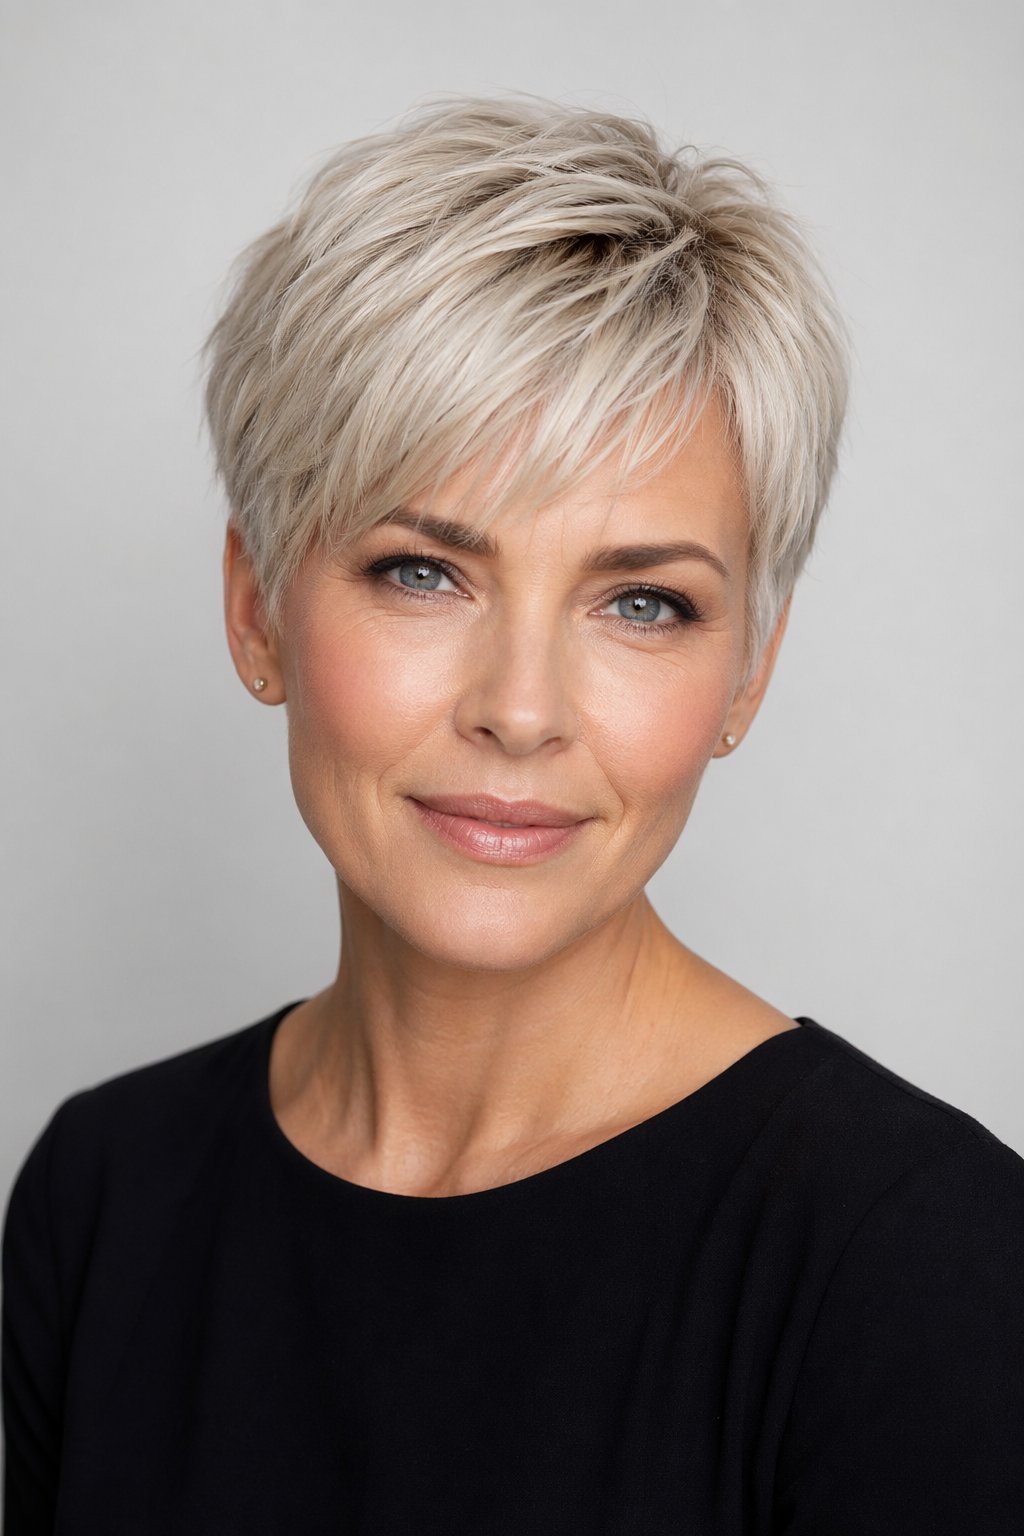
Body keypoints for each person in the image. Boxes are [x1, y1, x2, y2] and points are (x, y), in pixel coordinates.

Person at [3, 93, 1022, 1535]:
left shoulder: (927, 1265)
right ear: (257, 609)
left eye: (643, 602)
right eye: (425, 571)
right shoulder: (101, 1199)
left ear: (748, 676)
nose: (522, 707)